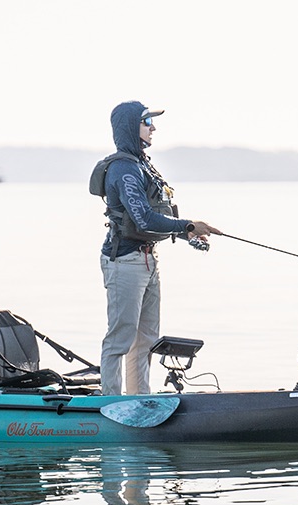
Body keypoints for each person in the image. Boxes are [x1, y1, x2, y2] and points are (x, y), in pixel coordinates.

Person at [94, 100, 220, 396]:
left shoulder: (142, 164)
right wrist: (188, 225)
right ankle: (109, 404)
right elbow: (142, 217)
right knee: (120, 339)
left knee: (146, 340)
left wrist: (187, 234)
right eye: (147, 122)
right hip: (124, 262)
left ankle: (139, 400)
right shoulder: (124, 169)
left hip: (149, 260)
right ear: (130, 127)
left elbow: (154, 217)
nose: (153, 128)